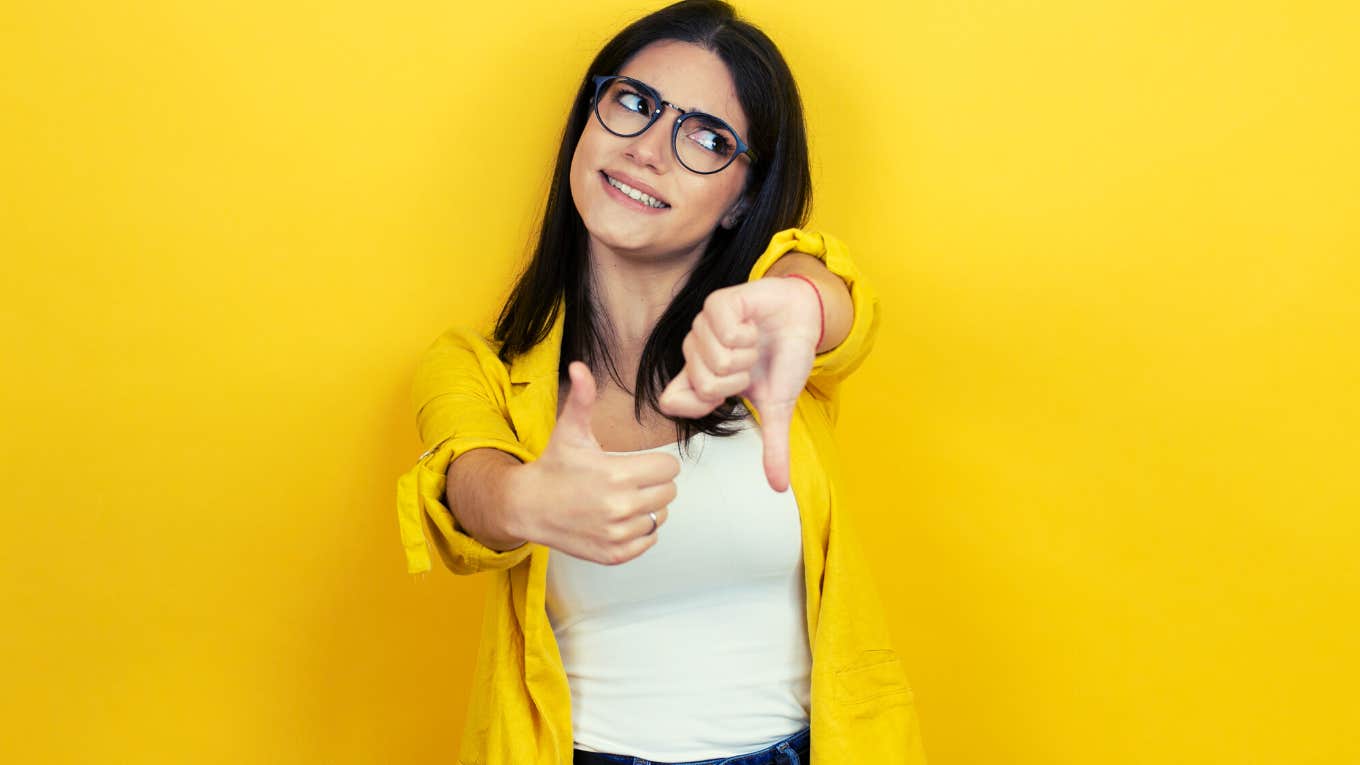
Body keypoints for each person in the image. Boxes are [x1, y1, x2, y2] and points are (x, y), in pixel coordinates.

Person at [394, 1, 928, 763]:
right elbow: (464, 476)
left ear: (743, 196)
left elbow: (840, 302)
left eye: (708, 138)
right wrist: (523, 498)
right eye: (635, 105)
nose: (649, 150)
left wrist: (806, 298)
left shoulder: (767, 346)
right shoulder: (478, 366)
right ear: (588, 118)